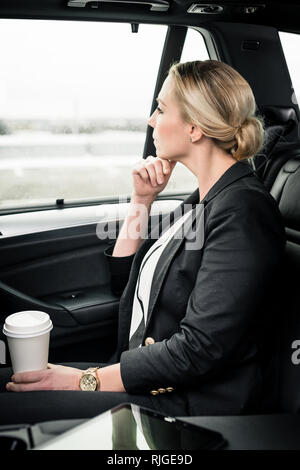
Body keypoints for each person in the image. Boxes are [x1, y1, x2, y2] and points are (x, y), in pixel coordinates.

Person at [0, 60, 286, 425]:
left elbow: (199, 350)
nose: (152, 119)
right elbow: (128, 288)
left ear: (195, 128)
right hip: (147, 379)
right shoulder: (202, 199)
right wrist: (142, 200)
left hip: (187, 406)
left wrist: (84, 381)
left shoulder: (243, 211)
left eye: (162, 109)